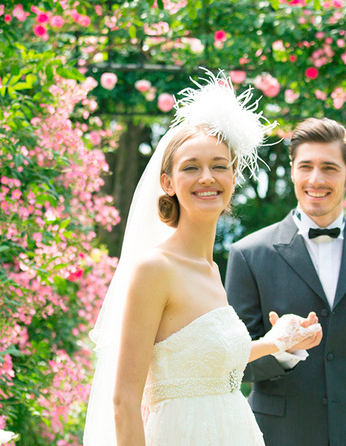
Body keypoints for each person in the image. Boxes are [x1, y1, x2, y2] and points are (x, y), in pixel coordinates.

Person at [82, 72, 322, 446]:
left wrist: (280, 338)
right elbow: (124, 400)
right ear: (168, 182)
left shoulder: (210, 269)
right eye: (191, 167)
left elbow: (206, 365)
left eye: (219, 165)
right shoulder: (154, 269)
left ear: (233, 176)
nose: (207, 177)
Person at [225, 117, 346, 446]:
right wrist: (283, 350)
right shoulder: (248, 255)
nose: (316, 179)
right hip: (279, 437)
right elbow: (233, 367)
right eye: (306, 166)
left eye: (329, 167)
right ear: (292, 169)